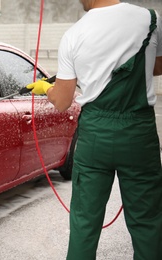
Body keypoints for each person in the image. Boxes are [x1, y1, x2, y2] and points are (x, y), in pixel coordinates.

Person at [27, 0, 162, 259]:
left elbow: (63, 101)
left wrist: (47, 89)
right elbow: (158, 66)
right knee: (147, 223)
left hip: (95, 136)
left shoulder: (74, 34)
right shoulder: (150, 19)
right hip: (138, 135)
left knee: (84, 224)